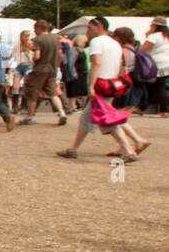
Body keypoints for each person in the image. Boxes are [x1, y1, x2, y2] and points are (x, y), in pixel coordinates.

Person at [57, 17, 147, 162]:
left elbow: (96, 64)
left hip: (101, 84)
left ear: (98, 27)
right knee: (88, 118)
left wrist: (91, 86)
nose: (88, 31)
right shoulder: (116, 44)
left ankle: (129, 150)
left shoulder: (97, 42)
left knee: (106, 120)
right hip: (111, 84)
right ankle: (73, 149)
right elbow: (120, 67)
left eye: (90, 28)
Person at [19, 19, 66, 124]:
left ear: (39, 28)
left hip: (40, 70)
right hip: (52, 69)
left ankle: (30, 117)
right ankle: (62, 113)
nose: (34, 31)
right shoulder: (55, 39)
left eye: (35, 29)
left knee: (32, 92)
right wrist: (56, 66)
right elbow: (60, 55)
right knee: (53, 93)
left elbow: (37, 55)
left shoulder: (37, 40)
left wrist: (33, 59)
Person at [144, 20, 169, 116]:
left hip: (157, 64)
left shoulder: (154, 36)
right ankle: (162, 109)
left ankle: (164, 110)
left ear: (155, 26)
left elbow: (143, 49)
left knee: (157, 87)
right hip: (166, 63)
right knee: (159, 86)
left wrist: (147, 36)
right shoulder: (166, 36)